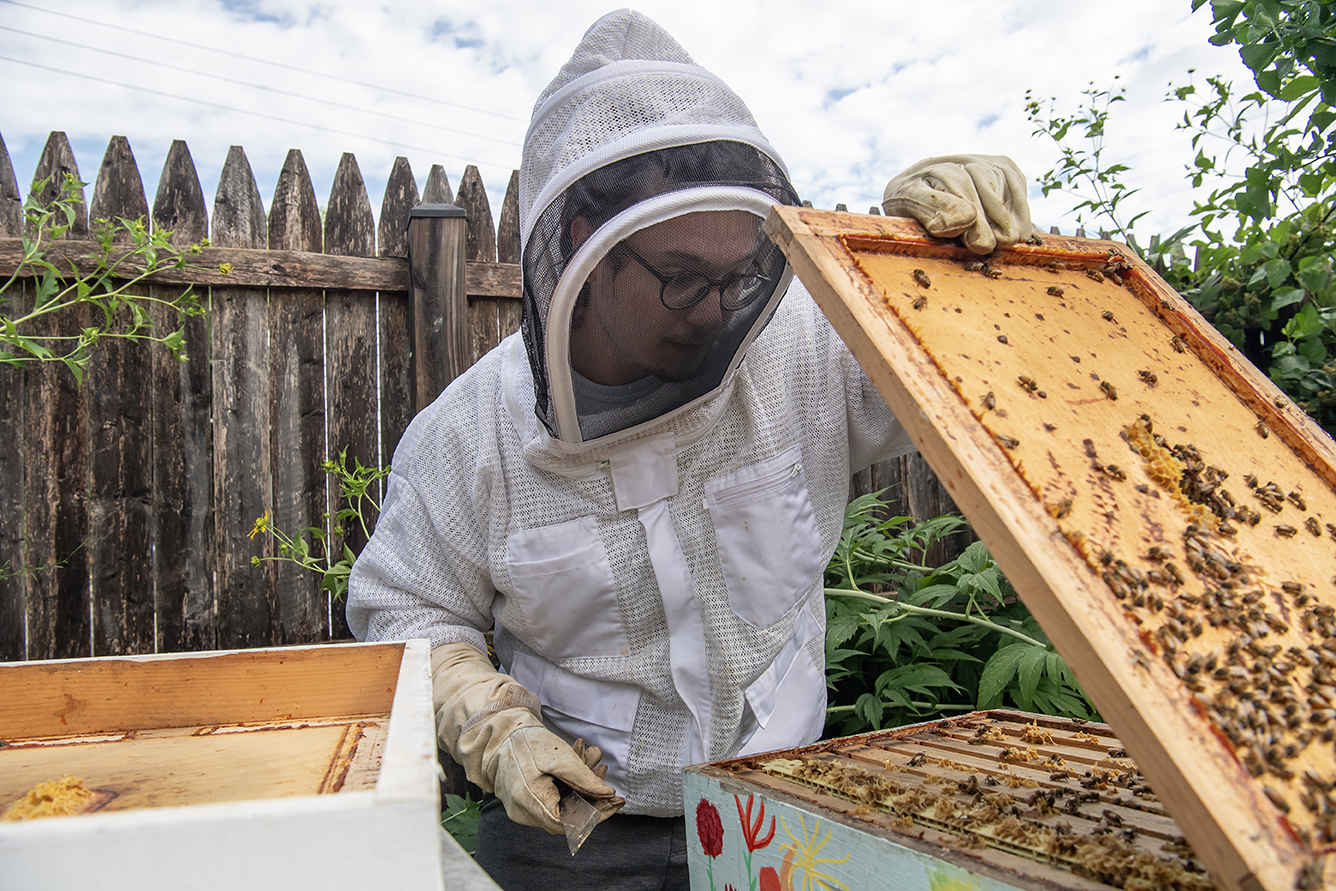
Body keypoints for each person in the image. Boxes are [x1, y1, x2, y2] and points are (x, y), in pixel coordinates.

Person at [346, 9, 1033, 889]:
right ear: (585, 244)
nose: (714, 310)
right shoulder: (468, 436)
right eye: (680, 277)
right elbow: (409, 609)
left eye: (738, 275)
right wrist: (493, 725)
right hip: (577, 837)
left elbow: (960, 384)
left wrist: (936, 273)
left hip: (783, 804)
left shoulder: (803, 351)